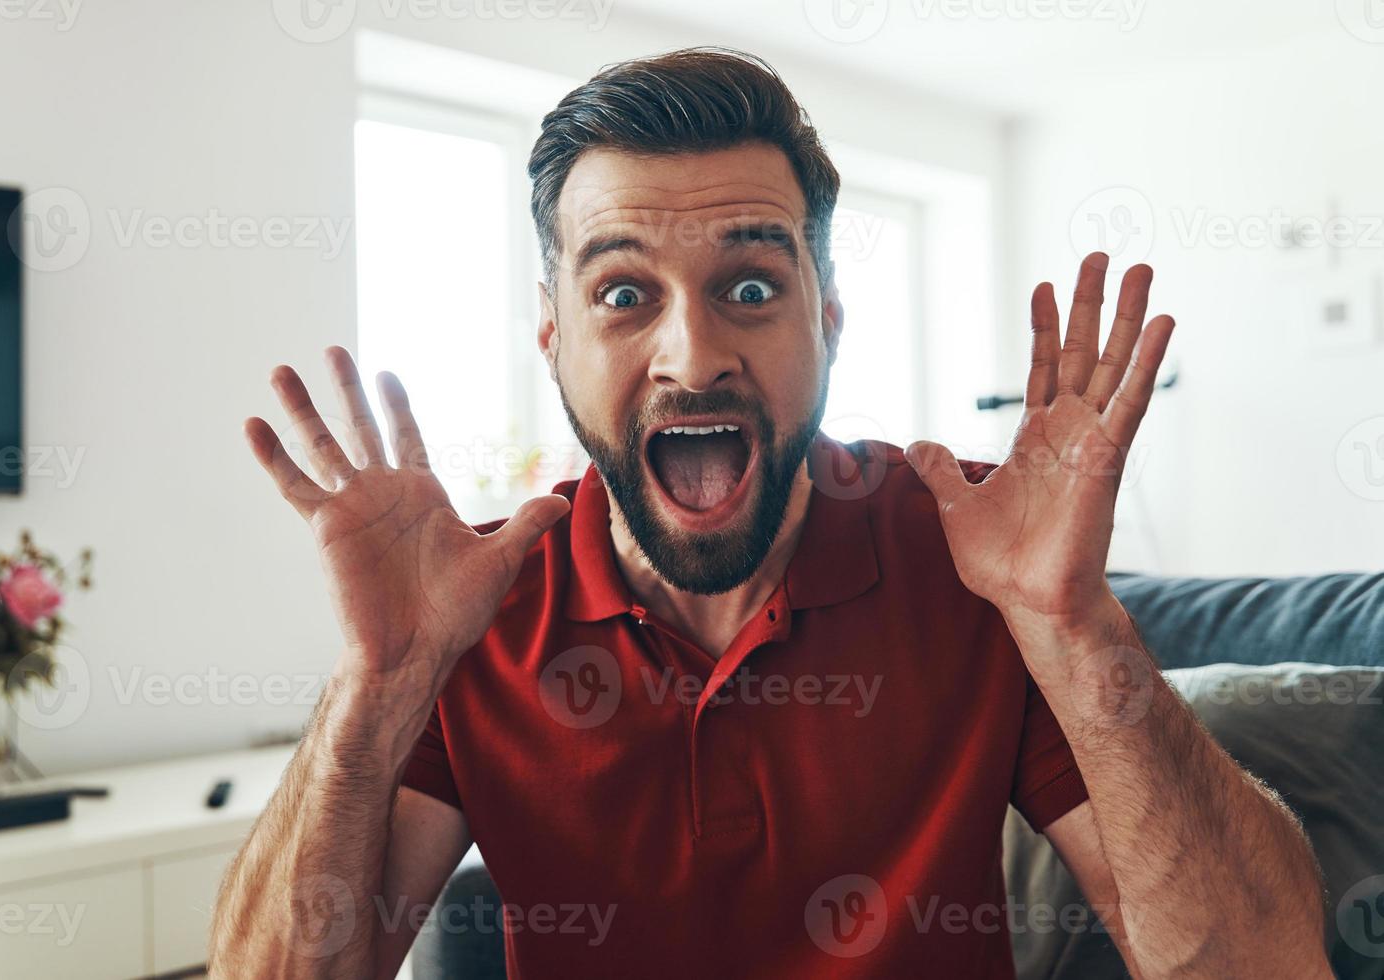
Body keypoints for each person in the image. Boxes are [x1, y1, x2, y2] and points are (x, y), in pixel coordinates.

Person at [211, 47, 1330, 979]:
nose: (692, 357)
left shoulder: (968, 558)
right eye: (623, 293)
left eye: (751, 286)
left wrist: (1074, 622)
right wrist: (381, 680)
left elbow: (1265, 964)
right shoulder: (479, 605)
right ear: (552, 336)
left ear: (828, 319)